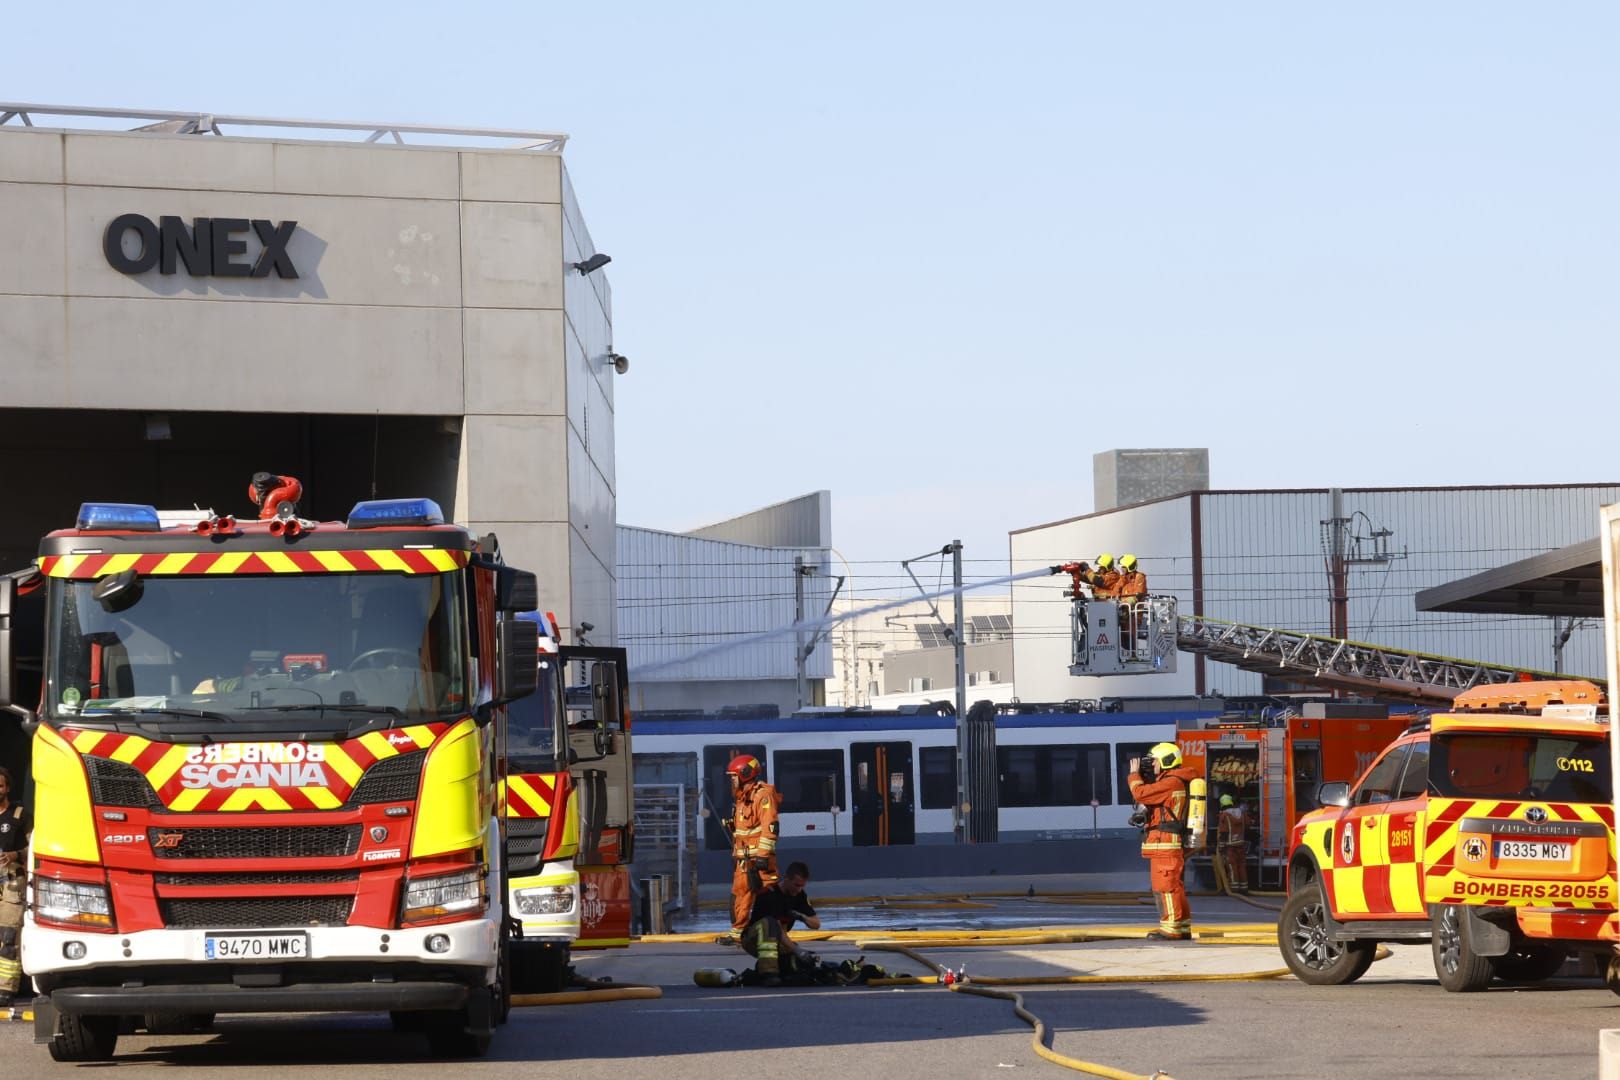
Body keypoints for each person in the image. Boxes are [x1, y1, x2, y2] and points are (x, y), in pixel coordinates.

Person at [1128, 743, 1198, 940]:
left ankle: (1171, 930)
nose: (1153, 766)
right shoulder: (1173, 781)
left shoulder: (1172, 783)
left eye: (1155, 762)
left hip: (1165, 843)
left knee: (1165, 886)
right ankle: (1182, 927)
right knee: (1174, 886)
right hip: (1166, 843)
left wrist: (1134, 775)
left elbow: (1140, 793)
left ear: (1166, 761)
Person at [726, 754, 781, 937]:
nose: (732, 781)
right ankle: (738, 933)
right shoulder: (742, 797)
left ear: (745, 773)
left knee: (768, 895)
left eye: (733, 776)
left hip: (759, 860)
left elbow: (770, 827)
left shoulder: (763, 795)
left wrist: (763, 856)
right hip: (744, 859)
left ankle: (777, 930)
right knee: (740, 895)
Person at [742, 860, 821, 984]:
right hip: (753, 939)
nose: (799, 889)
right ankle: (769, 973)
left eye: (802, 885)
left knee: (797, 963)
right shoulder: (769, 895)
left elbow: (816, 924)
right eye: (796, 885)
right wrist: (796, 950)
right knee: (769, 923)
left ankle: (768, 967)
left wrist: (802, 917)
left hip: (777, 938)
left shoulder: (799, 895)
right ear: (786, 879)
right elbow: (777, 929)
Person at [0, 765, 29, 1006]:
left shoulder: (19, 815)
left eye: (0, 785)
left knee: (8, 937)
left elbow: (36, 847)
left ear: (7, 788)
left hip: (11, 882)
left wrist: (16, 855)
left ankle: (6, 990)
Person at [1217, 794, 1249, 893]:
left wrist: (1221, 847)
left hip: (1230, 846)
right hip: (1241, 844)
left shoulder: (1224, 816)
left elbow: (1223, 832)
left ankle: (1234, 889)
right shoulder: (1242, 814)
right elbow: (1248, 826)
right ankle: (1244, 888)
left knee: (1232, 866)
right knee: (1242, 865)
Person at [1116, 554, 1149, 643]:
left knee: (1129, 629)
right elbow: (1115, 592)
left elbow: (1136, 596)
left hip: (1133, 614)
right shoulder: (1123, 578)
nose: (1121, 569)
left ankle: (1132, 653)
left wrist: (1121, 605)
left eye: (1123, 567)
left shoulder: (1139, 577)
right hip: (1123, 613)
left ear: (1129, 567)